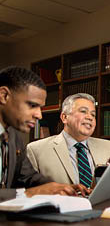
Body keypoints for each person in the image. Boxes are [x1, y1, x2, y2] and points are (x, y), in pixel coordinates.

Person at [0, 66, 89, 199]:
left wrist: (60, 187)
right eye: (32, 105)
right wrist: (27, 193)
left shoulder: (13, 136)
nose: (39, 115)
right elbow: (28, 190)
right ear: (4, 96)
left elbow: (28, 177)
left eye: (40, 107)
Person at [26, 93, 110, 187]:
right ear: (64, 117)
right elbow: (27, 191)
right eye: (83, 111)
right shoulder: (35, 150)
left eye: (93, 114)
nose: (90, 117)